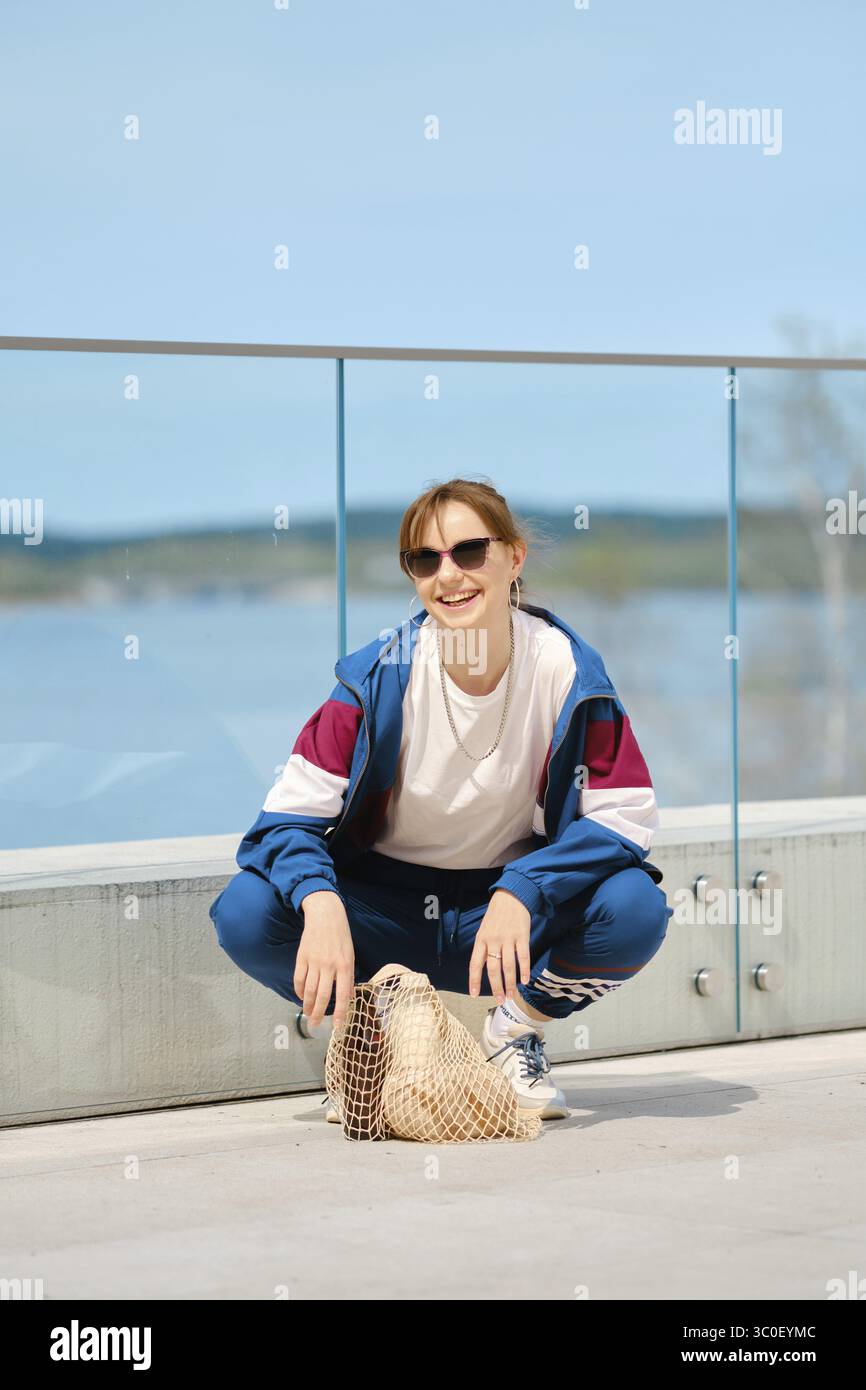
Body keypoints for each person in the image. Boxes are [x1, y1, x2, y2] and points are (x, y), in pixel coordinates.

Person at [209, 477, 673, 1120]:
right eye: (425, 559)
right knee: (247, 911)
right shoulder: (378, 679)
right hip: (385, 914)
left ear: (515, 557)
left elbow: (626, 818)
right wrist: (320, 902)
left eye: (469, 551)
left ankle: (512, 1033)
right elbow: (283, 820)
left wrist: (527, 886)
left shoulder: (567, 671)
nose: (448, 575)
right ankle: (386, 1031)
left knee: (635, 908)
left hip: (502, 922)